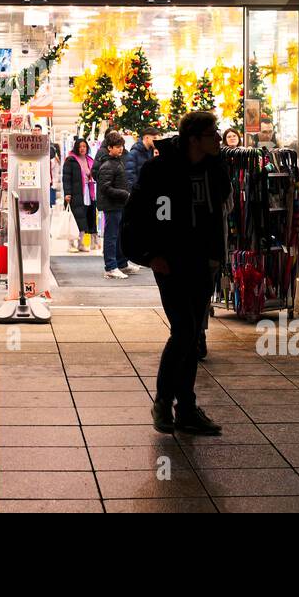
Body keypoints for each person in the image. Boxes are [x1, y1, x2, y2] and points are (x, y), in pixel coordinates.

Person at [122, 111, 229, 436]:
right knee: (183, 331)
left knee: (193, 335)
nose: (219, 140)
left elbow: (215, 216)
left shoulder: (215, 169)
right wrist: (151, 255)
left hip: (202, 263)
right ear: (194, 138)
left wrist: (215, 256)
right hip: (171, 263)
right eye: (212, 134)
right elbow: (143, 216)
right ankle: (164, 403)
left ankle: (184, 408)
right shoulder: (161, 170)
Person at [93, 131, 135, 279]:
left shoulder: (117, 161)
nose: (120, 149)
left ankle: (120, 263)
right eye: (117, 147)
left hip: (118, 204)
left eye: (121, 146)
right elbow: (105, 187)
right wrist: (124, 194)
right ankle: (110, 267)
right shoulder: (108, 165)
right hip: (112, 206)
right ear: (109, 148)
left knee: (118, 236)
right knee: (111, 236)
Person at [62, 137, 97, 252]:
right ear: (76, 147)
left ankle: (81, 243)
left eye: (84, 146)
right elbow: (66, 178)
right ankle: (71, 244)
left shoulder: (89, 159)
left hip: (87, 191)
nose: (82, 149)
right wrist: (67, 193)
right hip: (75, 193)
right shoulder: (70, 160)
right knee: (75, 218)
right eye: (80, 146)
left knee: (85, 217)